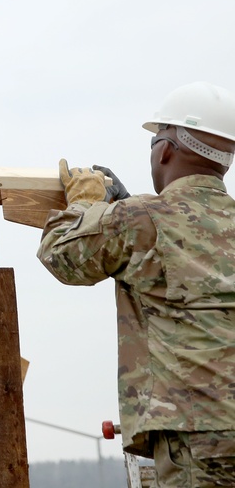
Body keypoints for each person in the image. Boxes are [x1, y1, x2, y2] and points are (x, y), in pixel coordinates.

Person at [37, 81, 235, 486]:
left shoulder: (140, 218)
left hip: (199, 433)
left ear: (164, 149)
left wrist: (86, 202)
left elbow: (60, 254)